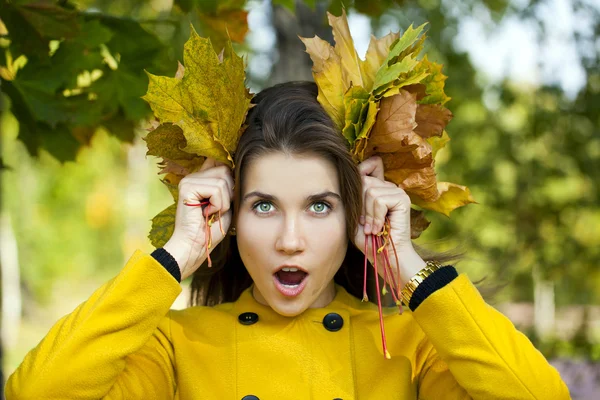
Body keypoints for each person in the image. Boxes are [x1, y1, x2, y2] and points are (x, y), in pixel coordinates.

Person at [6, 82, 570, 399]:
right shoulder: (177, 346)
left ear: (358, 214)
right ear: (228, 215)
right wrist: (177, 254)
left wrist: (406, 265)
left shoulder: (408, 346)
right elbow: (38, 393)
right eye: (264, 205)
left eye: (320, 205)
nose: (290, 240)